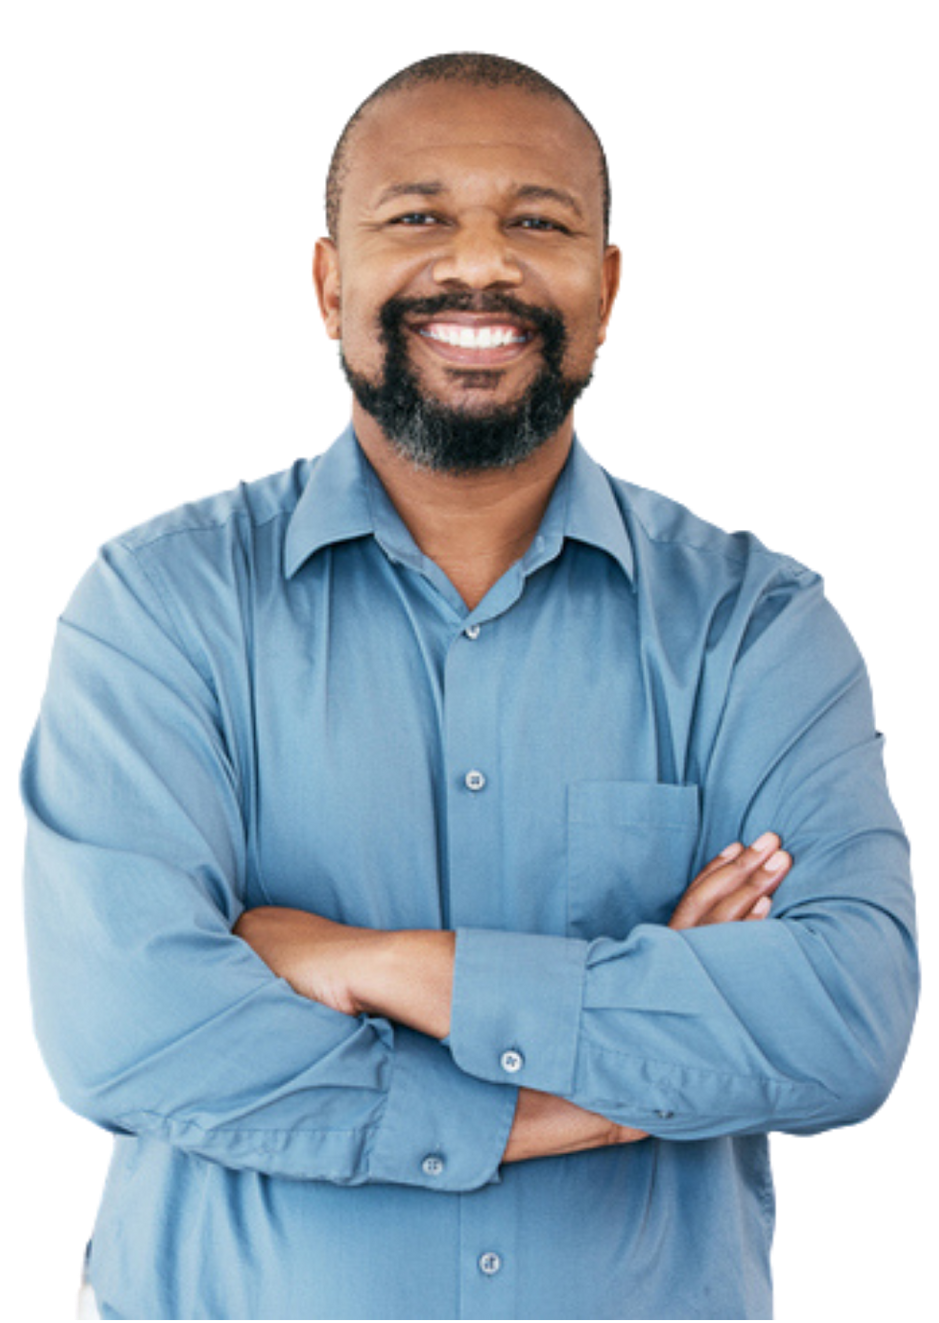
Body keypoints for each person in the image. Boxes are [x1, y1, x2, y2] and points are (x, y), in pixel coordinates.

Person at [20, 51, 918, 1323]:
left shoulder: (755, 627)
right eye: (419, 217)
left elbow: (840, 1025)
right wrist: (577, 1099)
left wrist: (371, 962)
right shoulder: (159, 607)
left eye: (537, 222)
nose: (481, 266)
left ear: (606, 292)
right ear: (330, 283)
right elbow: (129, 1032)